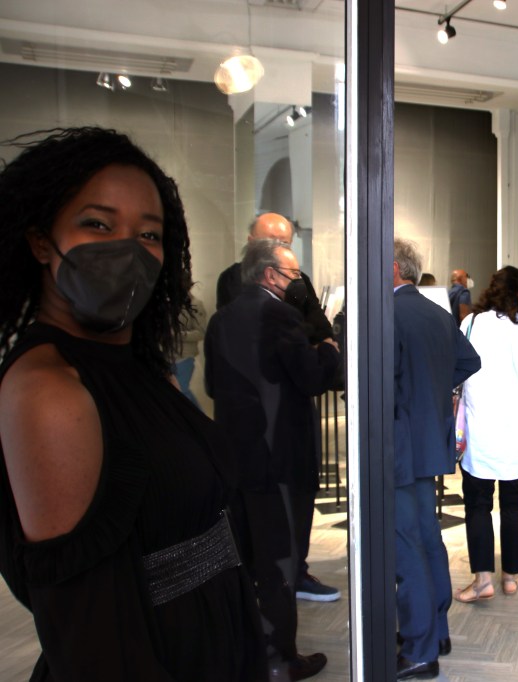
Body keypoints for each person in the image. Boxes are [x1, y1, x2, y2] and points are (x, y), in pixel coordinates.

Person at [0, 126, 266, 680]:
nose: (128, 249)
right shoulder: (50, 390)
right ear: (42, 241)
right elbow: (90, 636)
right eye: (98, 224)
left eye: (148, 234)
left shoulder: (140, 365)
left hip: (213, 641)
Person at [205, 238, 341, 681]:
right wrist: (328, 349)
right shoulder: (281, 316)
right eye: (293, 274)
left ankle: (247, 650)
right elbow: (310, 379)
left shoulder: (221, 319)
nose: (299, 281)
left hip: (237, 459)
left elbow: (211, 386)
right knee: (281, 562)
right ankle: (280, 660)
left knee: (245, 559)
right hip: (280, 459)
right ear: (269, 274)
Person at [392, 238, 481, 679]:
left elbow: (381, 385)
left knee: (405, 545)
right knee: (427, 537)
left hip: (398, 446)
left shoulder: (387, 314)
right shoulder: (437, 312)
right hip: (429, 441)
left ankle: (420, 648)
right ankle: (437, 630)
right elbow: (469, 361)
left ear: (392, 268)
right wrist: (435, 390)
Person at [454, 266, 518, 603]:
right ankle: (510, 577)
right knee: (515, 504)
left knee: (478, 505)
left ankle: (483, 579)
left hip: (481, 430)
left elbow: (458, 367)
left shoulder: (471, 323)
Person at [174, 285, 207, 407]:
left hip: (185, 356)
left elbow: (201, 332)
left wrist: (178, 335)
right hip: (170, 355)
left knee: (181, 391)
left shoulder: (196, 304)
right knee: (181, 391)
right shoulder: (172, 305)